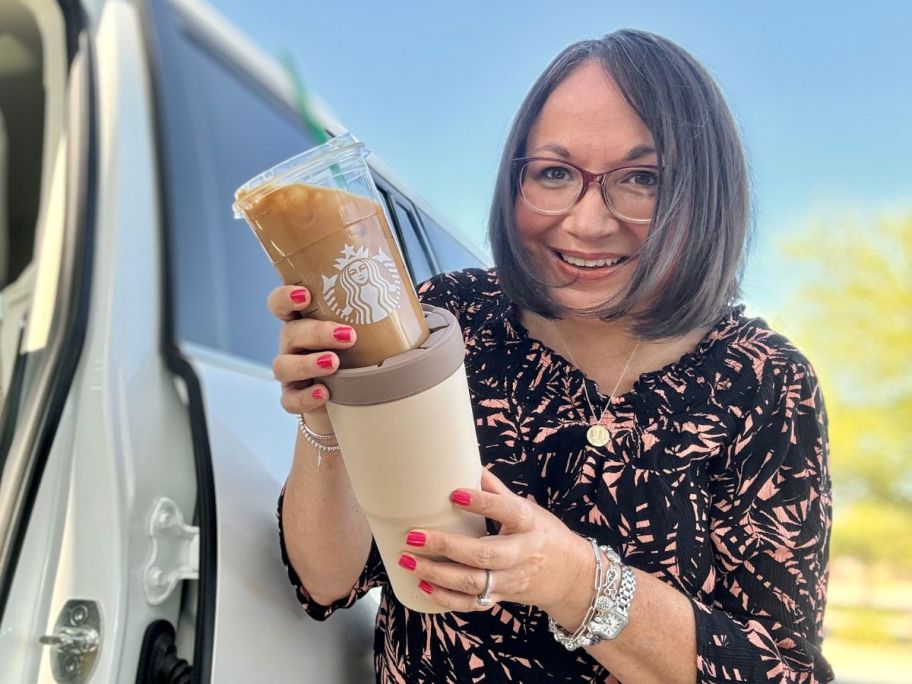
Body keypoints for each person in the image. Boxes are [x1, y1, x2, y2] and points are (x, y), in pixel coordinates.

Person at [269, 29, 834, 683]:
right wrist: (324, 416)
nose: (587, 222)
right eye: (555, 173)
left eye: (642, 179)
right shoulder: (452, 322)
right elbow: (327, 579)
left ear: (704, 193)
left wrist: (577, 582)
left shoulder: (764, 382)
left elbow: (783, 672)